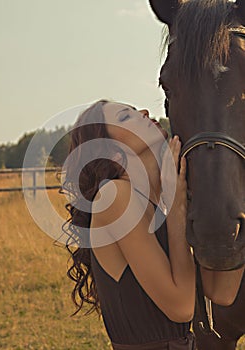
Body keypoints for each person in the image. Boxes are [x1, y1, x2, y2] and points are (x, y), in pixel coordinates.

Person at [62, 99, 196, 350]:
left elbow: (220, 294)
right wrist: (177, 208)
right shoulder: (115, 196)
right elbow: (182, 308)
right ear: (111, 151)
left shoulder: (154, 203)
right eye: (126, 117)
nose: (144, 112)